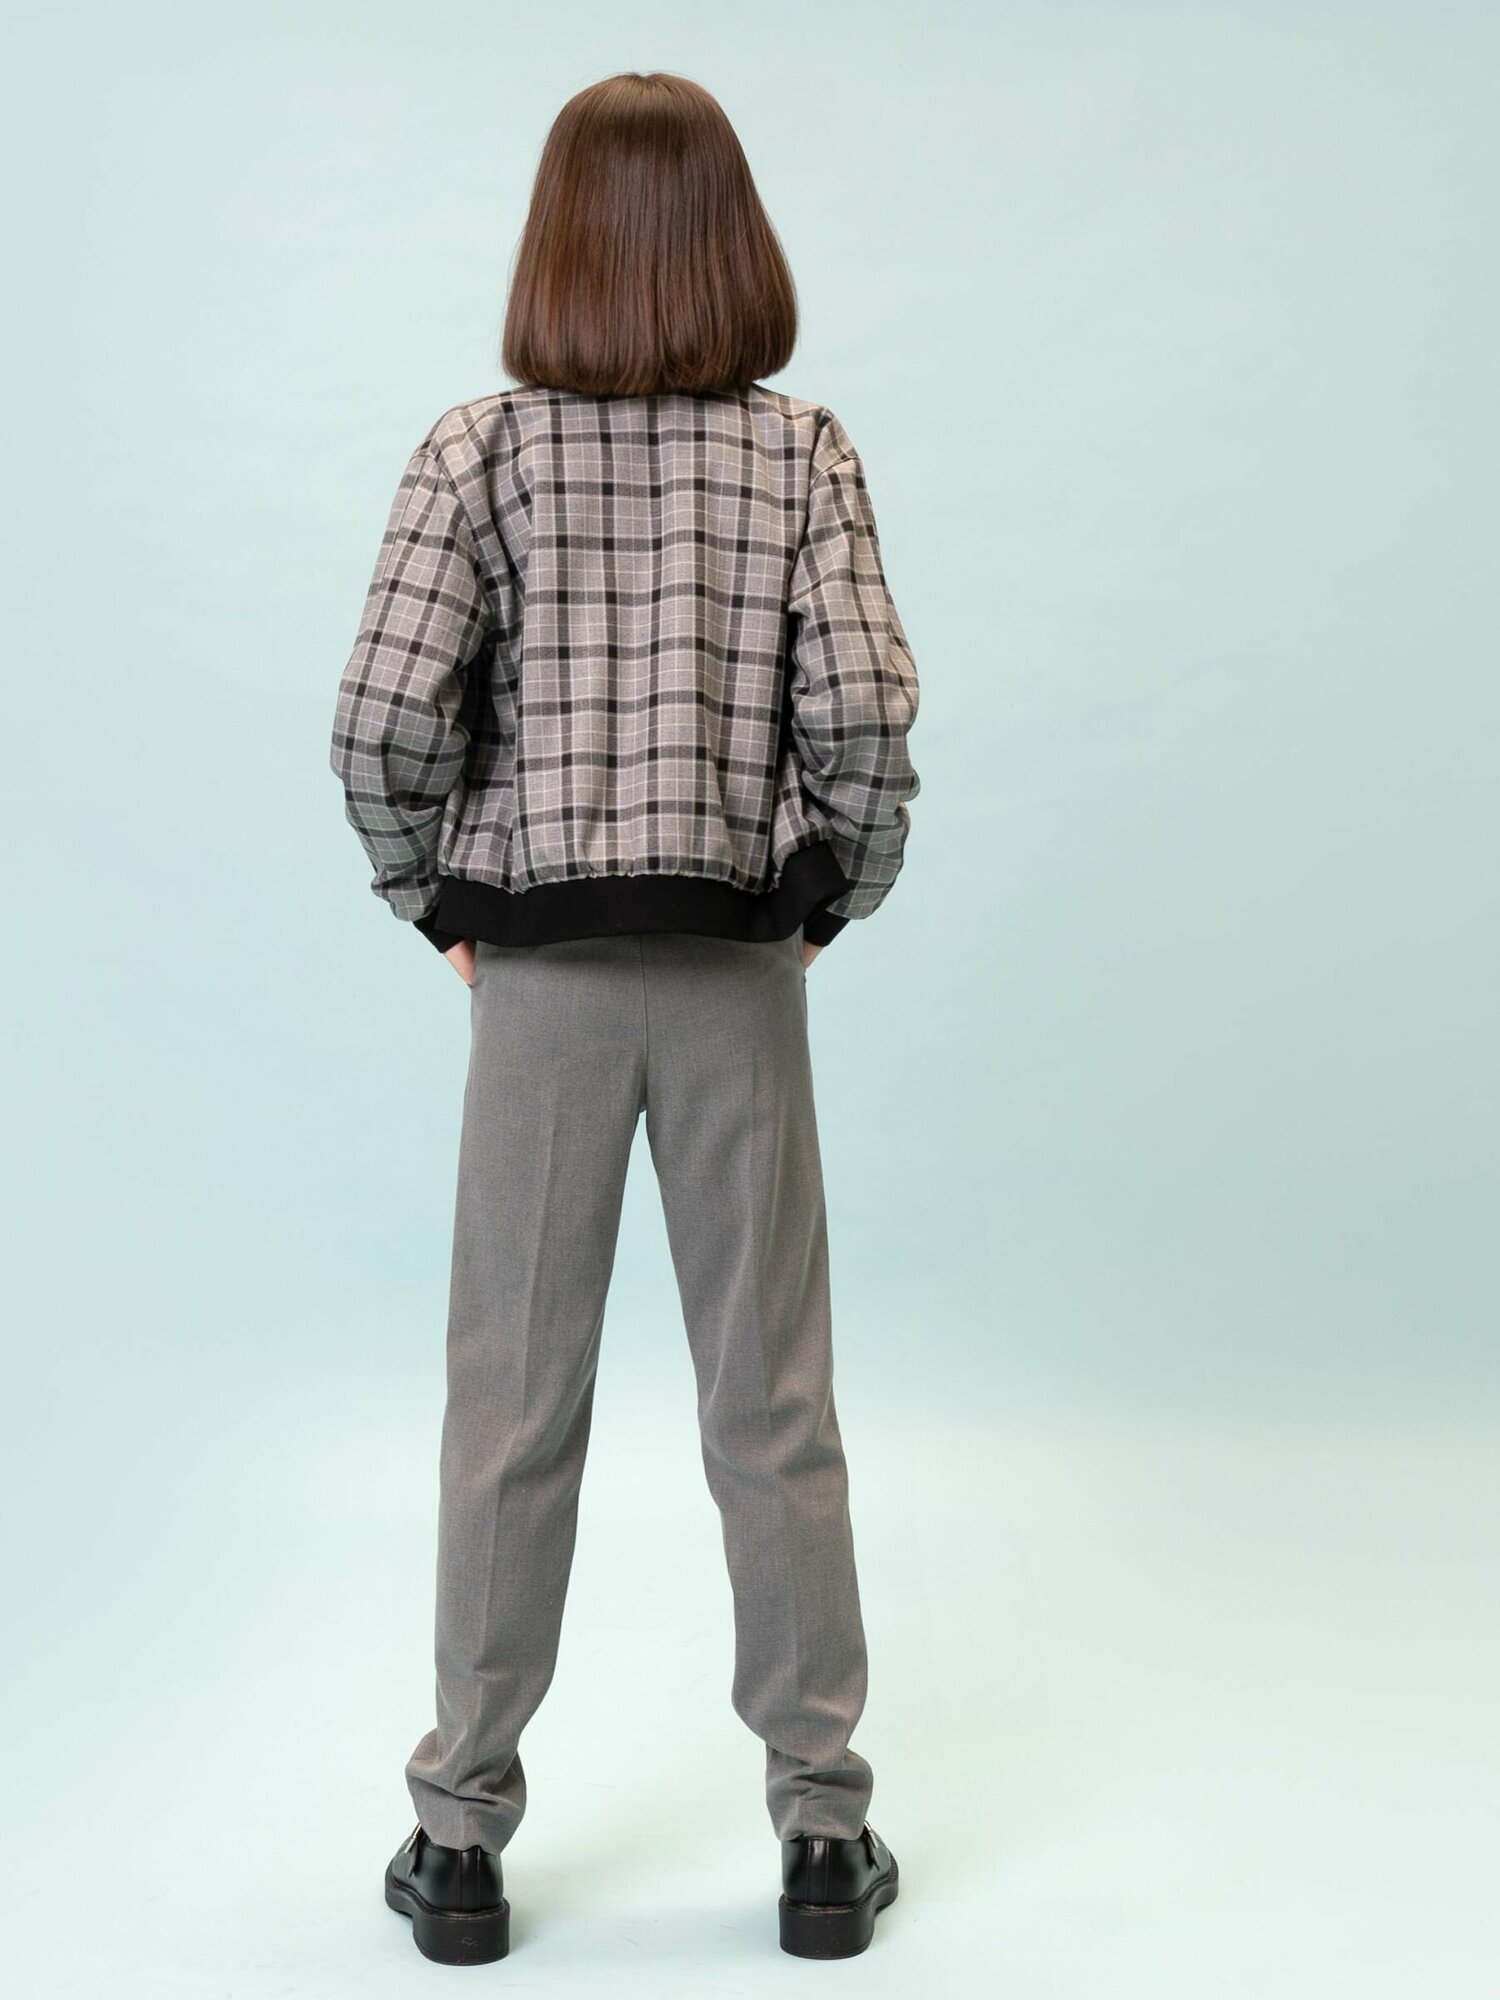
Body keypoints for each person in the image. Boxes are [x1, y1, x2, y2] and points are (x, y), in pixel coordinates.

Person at [329, 69, 919, 1966]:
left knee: (509, 1409)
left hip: (544, 995)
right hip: (737, 977)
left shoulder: (478, 452)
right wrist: (824, 894)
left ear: (556, 242)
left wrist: (442, 899)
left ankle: (461, 1842)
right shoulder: (803, 452)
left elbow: (380, 720)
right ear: (736, 241)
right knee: (774, 1405)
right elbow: (864, 718)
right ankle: (822, 1834)